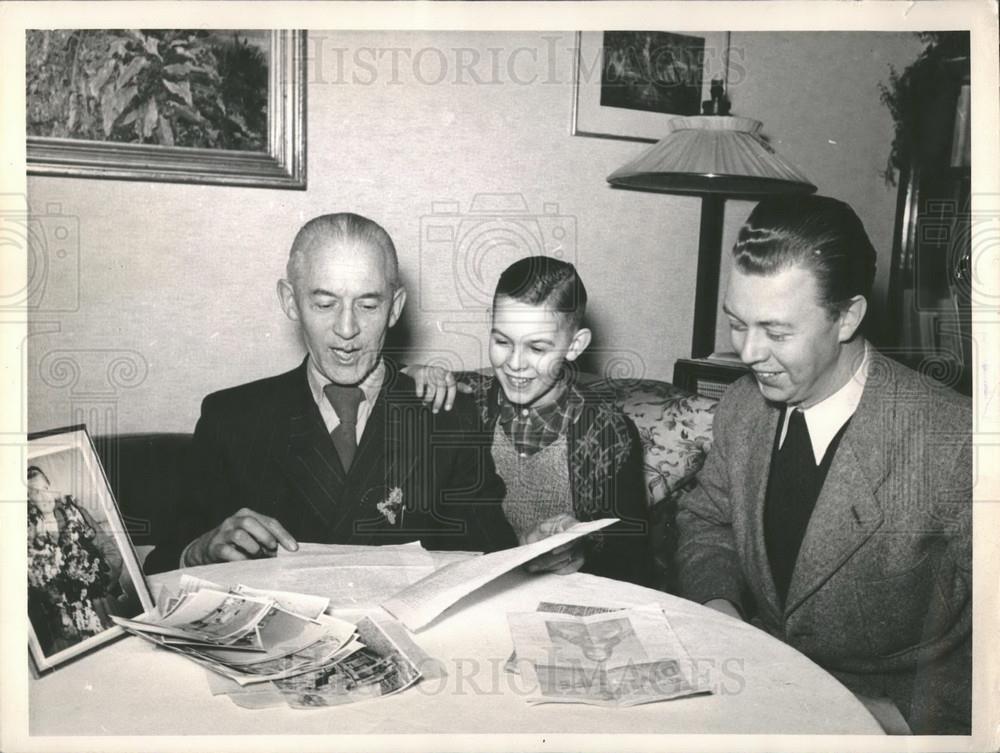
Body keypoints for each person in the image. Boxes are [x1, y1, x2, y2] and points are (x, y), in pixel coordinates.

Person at [674, 195, 971, 734]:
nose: (747, 353)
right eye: (737, 323)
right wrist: (719, 608)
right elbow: (708, 520)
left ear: (848, 317)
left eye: (777, 332)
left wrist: (901, 718)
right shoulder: (742, 407)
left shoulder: (955, 442)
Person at [144, 212, 517, 574]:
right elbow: (160, 564)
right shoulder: (232, 419)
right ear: (290, 301)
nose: (347, 328)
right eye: (325, 304)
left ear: (395, 307)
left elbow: (491, 562)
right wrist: (201, 550)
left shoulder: (448, 417)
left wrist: (538, 559)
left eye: (368, 305)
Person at [411, 257, 650, 585]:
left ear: (575, 345)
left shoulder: (609, 432)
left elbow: (634, 560)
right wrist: (411, 377)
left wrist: (585, 553)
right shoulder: (465, 402)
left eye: (537, 348)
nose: (515, 363)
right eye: (501, 341)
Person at [27, 465, 124, 655]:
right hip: (60, 613)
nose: (45, 497)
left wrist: (96, 582)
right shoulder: (28, 532)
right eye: (36, 493)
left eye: (46, 489)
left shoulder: (75, 513)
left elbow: (111, 552)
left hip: (96, 596)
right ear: (28, 500)